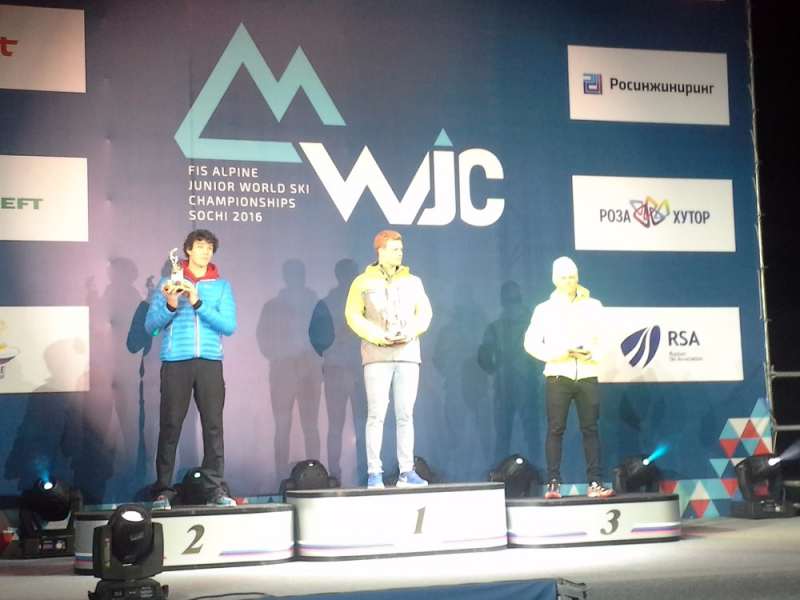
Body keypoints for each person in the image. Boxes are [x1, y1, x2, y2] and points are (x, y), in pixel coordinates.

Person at [145, 229, 237, 508]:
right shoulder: (168, 283)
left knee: (213, 427)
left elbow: (228, 326)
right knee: (170, 426)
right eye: (200, 246)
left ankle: (214, 489)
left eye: (210, 247)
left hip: (209, 363)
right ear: (188, 250)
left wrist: (197, 302)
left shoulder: (222, 287)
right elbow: (151, 327)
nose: (205, 251)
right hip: (176, 362)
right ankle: (163, 491)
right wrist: (171, 305)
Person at [345, 231, 433, 489]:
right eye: (395, 249)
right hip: (376, 356)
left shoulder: (414, 282)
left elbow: (425, 313)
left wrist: (410, 332)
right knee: (376, 415)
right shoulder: (362, 282)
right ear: (380, 251)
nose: (400, 253)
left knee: (405, 415)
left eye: (401, 249)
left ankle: (407, 471)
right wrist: (377, 336)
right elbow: (353, 315)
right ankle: (375, 473)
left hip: (407, 355)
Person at [523, 257, 613, 499]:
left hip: (587, 373)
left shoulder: (594, 306)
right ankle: (553, 482)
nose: (569, 281)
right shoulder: (544, 309)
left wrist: (592, 354)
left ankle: (595, 482)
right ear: (555, 279)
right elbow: (530, 343)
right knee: (555, 429)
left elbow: (606, 338)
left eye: (572, 276)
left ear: (578, 277)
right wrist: (556, 354)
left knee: (591, 429)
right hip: (558, 374)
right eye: (563, 277)